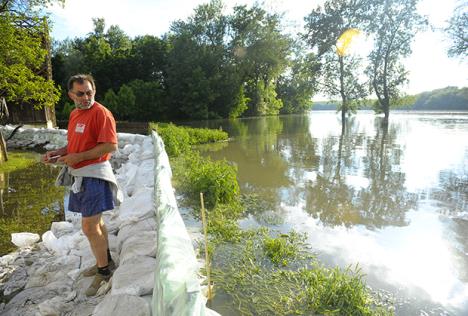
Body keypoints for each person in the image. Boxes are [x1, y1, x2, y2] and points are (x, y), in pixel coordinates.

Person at [43, 74, 122, 297]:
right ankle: (105, 261)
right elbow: (74, 144)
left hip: (95, 175)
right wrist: (58, 153)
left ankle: (104, 271)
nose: (86, 97)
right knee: (98, 223)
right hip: (81, 174)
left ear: (94, 91)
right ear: (71, 95)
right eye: (81, 93)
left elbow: (110, 145)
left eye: (89, 92)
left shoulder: (101, 113)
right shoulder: (75, 114)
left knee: (89, 227)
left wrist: (79, 157)